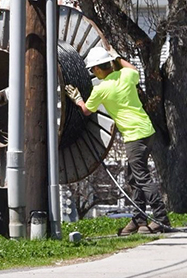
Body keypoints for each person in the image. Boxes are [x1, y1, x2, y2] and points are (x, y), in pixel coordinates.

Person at [65, 46, 171, 236]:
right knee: (133, 177)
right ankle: (139, 220)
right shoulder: (126, 76)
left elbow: (86, 111)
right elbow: (134, 69)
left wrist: (77, 99)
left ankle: (161, 218)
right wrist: (117, 56)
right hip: (147, 131)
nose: (92, 73)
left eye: (92, 70)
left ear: (97, 69)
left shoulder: (101, 89)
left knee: (142, 178)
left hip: (134, 136)